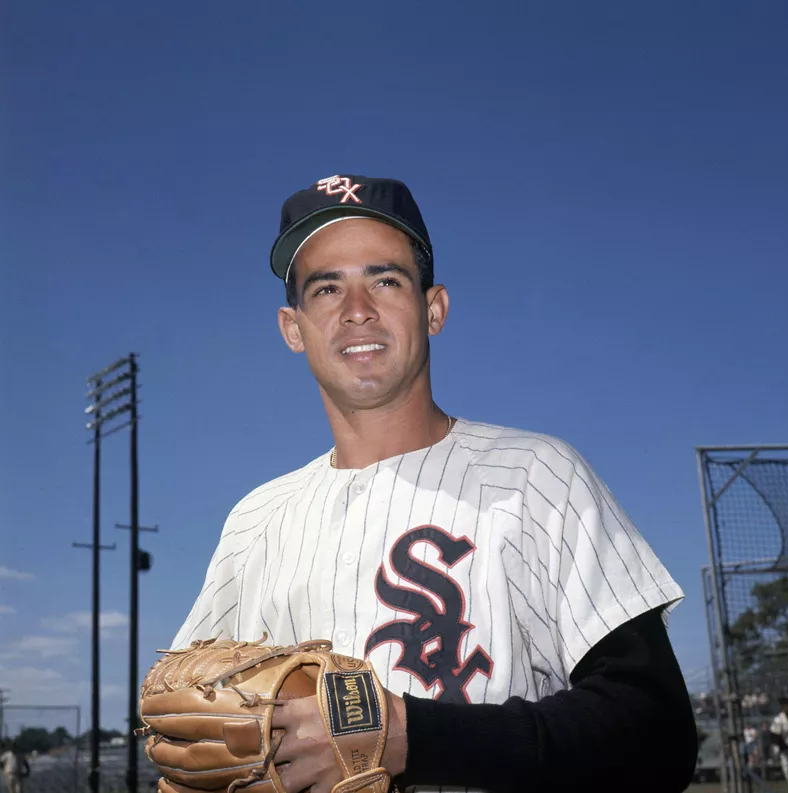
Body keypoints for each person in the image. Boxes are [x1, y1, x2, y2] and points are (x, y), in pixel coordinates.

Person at [170, 174, 698, 792]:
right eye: (326, 288)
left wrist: (407, 736)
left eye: (385, 280)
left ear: (434, 308)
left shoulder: (536, 477)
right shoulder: (255, 521)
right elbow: (185, 721)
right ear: (293, 327)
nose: (356, 310)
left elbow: (656, 731)